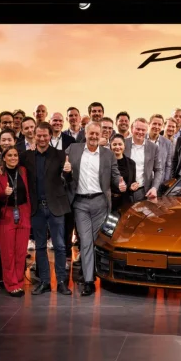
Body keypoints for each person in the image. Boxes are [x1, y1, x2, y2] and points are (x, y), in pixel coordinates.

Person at [64, 122, 121, 296]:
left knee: (96, 242)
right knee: (86, 240)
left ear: (101, 134)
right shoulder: (73, 149)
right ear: (85, 133)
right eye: (91, 133)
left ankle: (96, 273)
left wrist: (121, 183)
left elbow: (115, 174)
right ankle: (89, 281)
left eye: (97, 133)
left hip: (100, 203)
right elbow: (62, 166)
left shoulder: (108, 154)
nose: (94, 136)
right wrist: (65, 170)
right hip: (80, 203)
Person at [22, 122, 72, 296]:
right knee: (40, 246)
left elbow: (68, 179)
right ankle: (44, 282)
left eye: (45, 135)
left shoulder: (60, 155)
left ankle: (61, 282)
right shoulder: (26, 156)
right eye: (39, 135)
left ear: (50, 136)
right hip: (36, 208)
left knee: (60, 246)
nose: (42, 138)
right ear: (34, 136)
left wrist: (68, 171)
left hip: (56, 207)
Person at [0, 146, 31, 296]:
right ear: (4, 158)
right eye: (9, 155)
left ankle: (19, 282)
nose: (13, 158)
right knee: (8, 252)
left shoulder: (23, 171)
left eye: (15, 155)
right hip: (6, 214)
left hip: (23, 212)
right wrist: (4, 193)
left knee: (21, 252)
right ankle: (11, 284)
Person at [110, 134, 135, 210]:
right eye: (114, 144)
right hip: (109, 201)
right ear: (110, 146)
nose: (117, 147)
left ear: (124, 146)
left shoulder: (131, 163)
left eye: (120, 144)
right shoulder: (105, 162)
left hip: (125, 201)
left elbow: (132, 181)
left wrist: (132, 187)